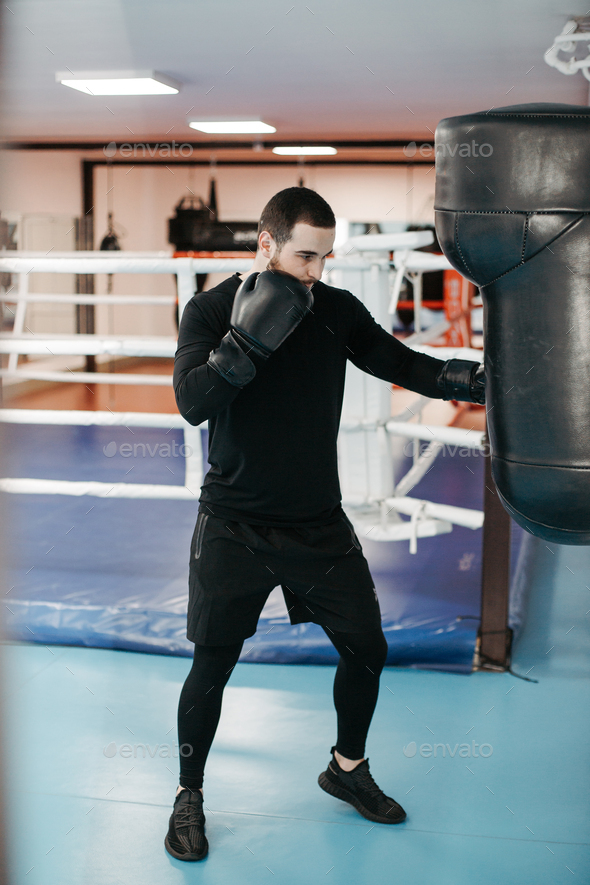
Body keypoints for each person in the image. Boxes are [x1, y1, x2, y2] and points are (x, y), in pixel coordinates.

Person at [165, 187, 485, 861]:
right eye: (305, 256)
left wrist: (478, 379)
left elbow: (401, 363)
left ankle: (346, 769)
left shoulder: (333, 309)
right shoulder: (211, 308)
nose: (315, 272)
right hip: (233, 521)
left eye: (324, 258)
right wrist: (246, 339)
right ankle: (188, 794)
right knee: (212, 665)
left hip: (316, 522)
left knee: (366, 646)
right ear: (265, 241)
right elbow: (193, 402)